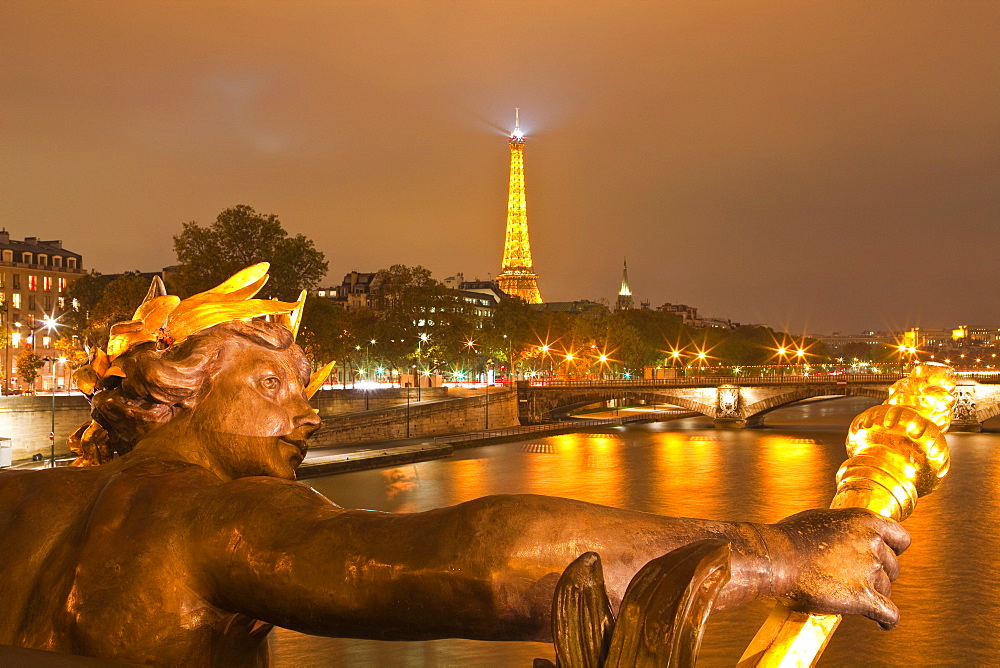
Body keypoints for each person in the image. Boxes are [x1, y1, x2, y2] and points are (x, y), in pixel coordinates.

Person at [0, 273, 909, 666]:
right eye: (272, 382)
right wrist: (776, 550)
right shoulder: (211, 517)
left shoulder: (20, 498)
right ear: (176, 390)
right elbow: (481, 560)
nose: (306, 410)